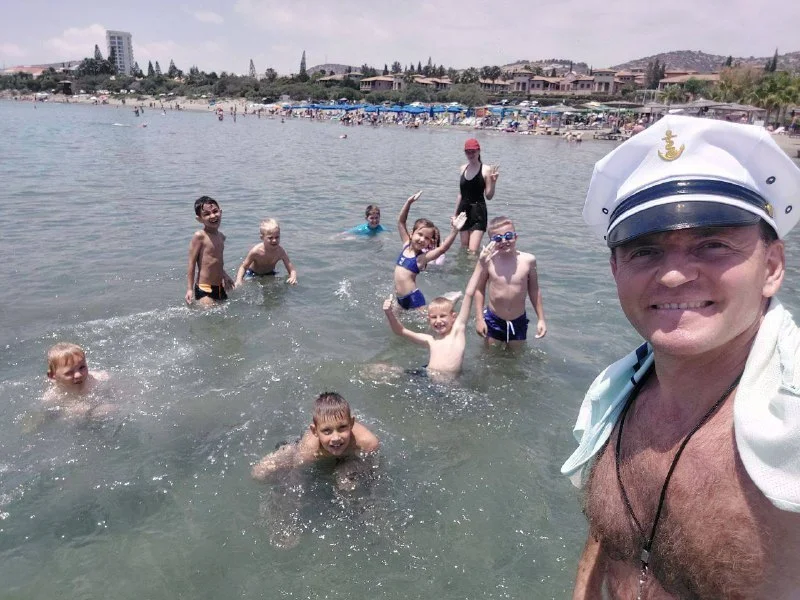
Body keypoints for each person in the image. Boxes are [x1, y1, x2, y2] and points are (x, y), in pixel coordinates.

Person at [561, 115, 800, 599]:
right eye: (644, 250)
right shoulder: (615, 395)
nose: (673, 276)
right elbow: (609, 533)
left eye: (712, 245)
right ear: (615, 269)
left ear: (772, 266)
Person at [383, 248, 486, 376]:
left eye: (442, 316)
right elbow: (400, 331)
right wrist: (389, 312)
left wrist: (480, 262)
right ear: (429, 319)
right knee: (384, 369)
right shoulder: (430, 340)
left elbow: (469, 293)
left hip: (447, 382)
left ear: (453, 317)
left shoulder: (457, 330)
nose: (438, 321)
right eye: (433, 317)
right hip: (426, 377)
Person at [251, 391, 379, 481]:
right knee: (259, 473)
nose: (336, 437)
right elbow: (296, 473)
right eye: (327, 431)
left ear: (351, 423)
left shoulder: (368, 443)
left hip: (350, 456)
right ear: (315, 431)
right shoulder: (308, 450)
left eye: (342, 428)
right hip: (301, 447)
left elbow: (372, 469)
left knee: (346, 483)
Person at [473, 216, 547, 345]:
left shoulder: (528, 261)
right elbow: (479, 289)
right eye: (497, 238)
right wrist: (479, 319)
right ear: (491, 241)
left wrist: (541, 319)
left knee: (517, 355)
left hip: (518, 320)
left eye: (508, 236)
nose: (503, 241)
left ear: (516, 237)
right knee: (490, 353)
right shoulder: (488, 261)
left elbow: (534, 290)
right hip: (493, 319)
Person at [394, 191, 466, 310]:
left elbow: (442, 249)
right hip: (400, 298)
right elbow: (401, 222)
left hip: (413, 298)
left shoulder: (421, 258)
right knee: (394, 319)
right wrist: (408, 202)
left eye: (427, 238)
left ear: (429, 242)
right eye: (420, 234)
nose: (422, 239)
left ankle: (449, 301)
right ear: (412, 233)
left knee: (428, 319)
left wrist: (455, 231)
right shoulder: (406, 245)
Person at [42, 342, 114, 420]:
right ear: (52, 376)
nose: (78, 375)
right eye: (69, 372)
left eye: (82, 367)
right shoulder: (52, 396)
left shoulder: (98, 378)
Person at [185, 196, 234, 305]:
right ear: (199, 219)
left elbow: (216, 262)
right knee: (210, 311)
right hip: (204, 288)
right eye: (207, 214)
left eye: (215, 211)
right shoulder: (200, 236)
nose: (212, 216)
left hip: (219, 288)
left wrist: (225, 275)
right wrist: (189, 289)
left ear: (221, 212)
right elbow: (191, 263)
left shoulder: (221, 237)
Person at [454, 138, 500, 252]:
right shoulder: (462, 168)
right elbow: (461, 194)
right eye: (468, 152)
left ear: (479, 151)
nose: (470, 154)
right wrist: (455, 215)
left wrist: (493, 182)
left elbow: (489, 196)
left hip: (478, 212)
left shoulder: (486, 170)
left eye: (473, 151)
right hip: (463, 211)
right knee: (464, 248)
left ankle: (480, 262)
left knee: (472, 250)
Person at [234, 218, 298, 286]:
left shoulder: (280, 252)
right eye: (270, 238)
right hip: (252, 273)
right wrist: (239, 280)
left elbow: (292, 270)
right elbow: (243, 267)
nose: (274, 240)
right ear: (262, 238)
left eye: (277, 237)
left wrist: (293, 277)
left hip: (270, 273)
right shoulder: (256, 251)